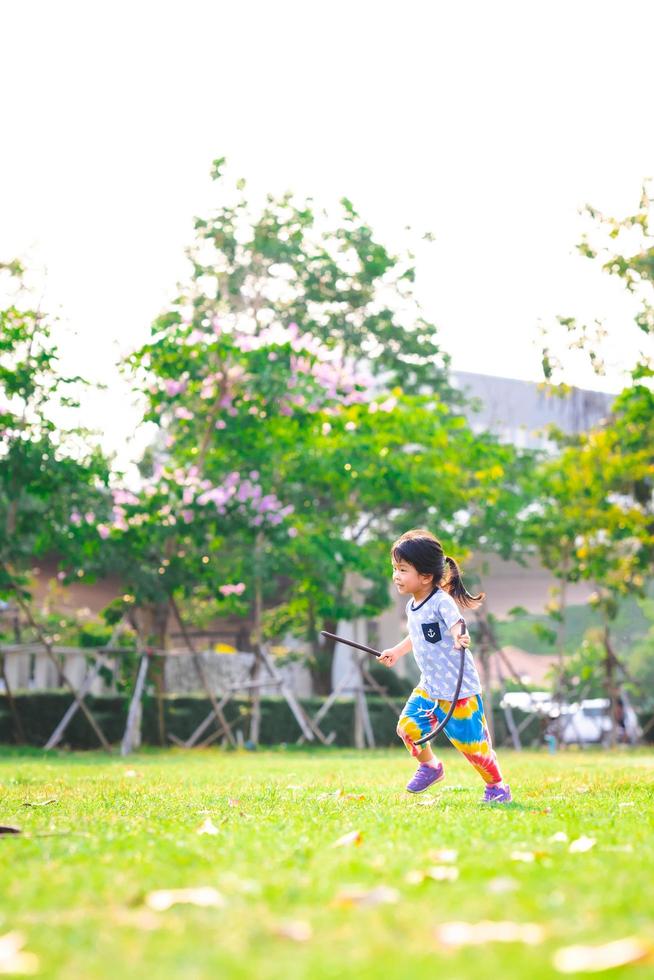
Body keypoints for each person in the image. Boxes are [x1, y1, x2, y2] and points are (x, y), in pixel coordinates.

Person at [379, 528, 511, 803]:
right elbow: (417, 636)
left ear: (425, 576)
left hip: (458, 692)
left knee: (473, 748)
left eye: (402, 569)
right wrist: (397, 651)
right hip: (429, 687)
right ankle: (430, 766)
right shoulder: (412, 606)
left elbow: (456, 623)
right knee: (407, 728)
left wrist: (459, 637)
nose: (396, 576)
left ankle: (497, 786)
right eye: (395, 568)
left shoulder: (441, 601)